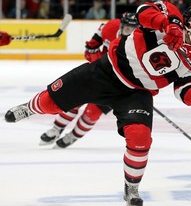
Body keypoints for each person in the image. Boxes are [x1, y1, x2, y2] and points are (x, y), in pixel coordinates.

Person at [4, 1, 191, 206]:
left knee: (140, 138)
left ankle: (131, 188)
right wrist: (167, 24)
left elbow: (184, 89)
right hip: (106, 72)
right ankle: (30, 108)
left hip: (136, 93)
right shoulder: (170, 16)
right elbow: (143, 11)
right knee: (50, 103)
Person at [39, 12, 139, 148]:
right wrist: (97, 61)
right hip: (96, 74)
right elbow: (90, 48)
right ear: (121, 26)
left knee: (91, 114)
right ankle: (56, 129)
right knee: (73, 102)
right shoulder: (109, 28)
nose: (130, 34)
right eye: (127, 29)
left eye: (134, 30)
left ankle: (73, 136)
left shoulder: (139, 46)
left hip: (115, 86)